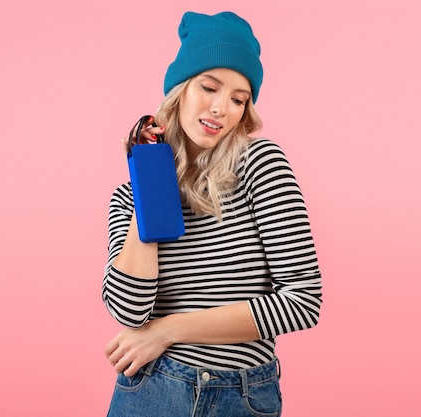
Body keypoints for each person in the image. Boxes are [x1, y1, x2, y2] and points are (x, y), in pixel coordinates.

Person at [102, 11, 322, 417]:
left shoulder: (259, 163)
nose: (222, 107)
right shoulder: (128, 196)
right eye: (209, 87)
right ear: (180, 90)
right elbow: (129, 311)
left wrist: (169, 330)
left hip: (238, 395)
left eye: (238, 98)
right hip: (151, 388)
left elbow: (302, 302)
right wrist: (150, 182)